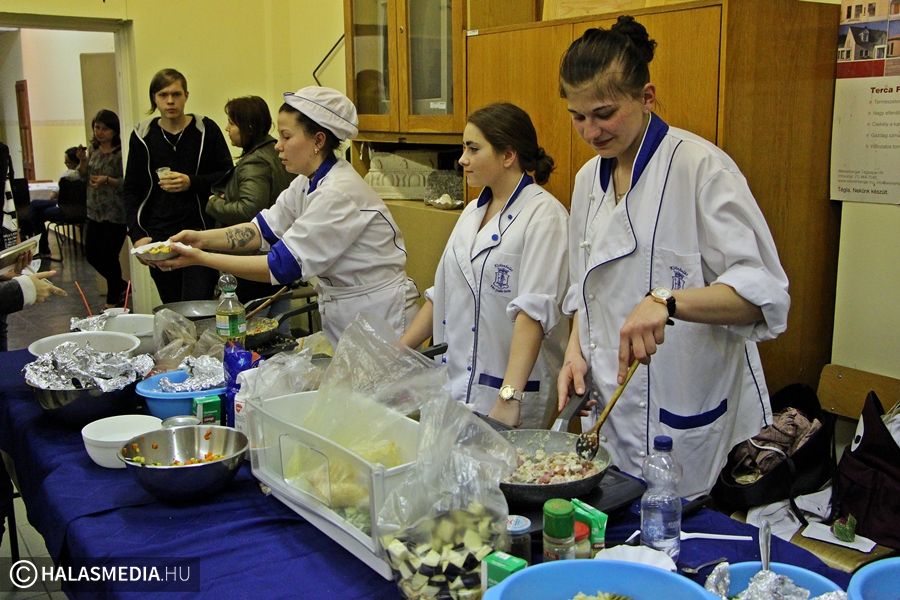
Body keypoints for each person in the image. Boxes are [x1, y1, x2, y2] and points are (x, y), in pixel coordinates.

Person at [555, 16, 790, 497]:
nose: (591, 131)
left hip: (688, 404)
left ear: (646, 97)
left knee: (681, 519)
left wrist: (667, 300)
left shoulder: (701, 168)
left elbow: (763, 296)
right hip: (612, 405)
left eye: (603, 113)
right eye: (578, 117)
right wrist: (575, 351)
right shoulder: (586, 182)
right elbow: (585, 287)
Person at [158, 86, 419, 347]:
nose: (278, 146)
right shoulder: (306, 182)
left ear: (318, 141)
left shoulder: (339, 192)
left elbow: (280, 267)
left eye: (286, 136)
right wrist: (199, 239)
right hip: (348, 311)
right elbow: (261, 231)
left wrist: (200, 258)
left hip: (381, 316)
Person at [400, 103, 568, 429]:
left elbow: (533, 313)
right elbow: (442, 293)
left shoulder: (545, 217)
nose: (462, 159)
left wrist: (509, 396)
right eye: (464, 148)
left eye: (473, 149)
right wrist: (399, 352)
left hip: (509, 392)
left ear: (508, 155)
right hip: (456, 382)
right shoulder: (472, 211)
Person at [123, 68, 232, 303]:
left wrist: (192, 182)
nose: (170, 101)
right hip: (159, 235)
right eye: (163, 95)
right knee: (172, 306)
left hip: (200, 232)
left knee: (198, 303)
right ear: (154, 98)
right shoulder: (142, 135)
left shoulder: (205, 129)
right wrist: (138, 235)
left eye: (176, 94)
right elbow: (131, 190)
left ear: (186, 96)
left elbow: (227, 175)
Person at [207, 95, 295, 303]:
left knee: (251, 318)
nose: (227, 129)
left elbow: (249, 209)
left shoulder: (254, 162)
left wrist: (214, 203)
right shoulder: (273, 151)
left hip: (254, 259)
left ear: (248, 127)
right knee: (278, 316)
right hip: (278, 253)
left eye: (231, 123)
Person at [76, 110, 128, 309]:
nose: (100, 132)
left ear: (114, 130)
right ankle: (121, 286)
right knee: (92, 255)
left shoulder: (121, 153)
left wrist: (108, 180)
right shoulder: (94, 150)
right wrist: (82, 161)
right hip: (94, 211)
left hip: (115, 213)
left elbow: (128, 182)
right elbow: (83, 176)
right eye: (97, 127)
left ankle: (112, 301)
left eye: (105, 128)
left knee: (110, 256)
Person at [28, 147, 83, 258]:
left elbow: (54, 194)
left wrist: (54, 194)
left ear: (74, 162)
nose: (65, 163)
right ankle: (40, 246)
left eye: (67, 161)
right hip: (78, 209)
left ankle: (40, 245)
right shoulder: (83, 174)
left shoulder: (69, 175)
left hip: (64, 209)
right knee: (35, 206)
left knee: (35, 209)